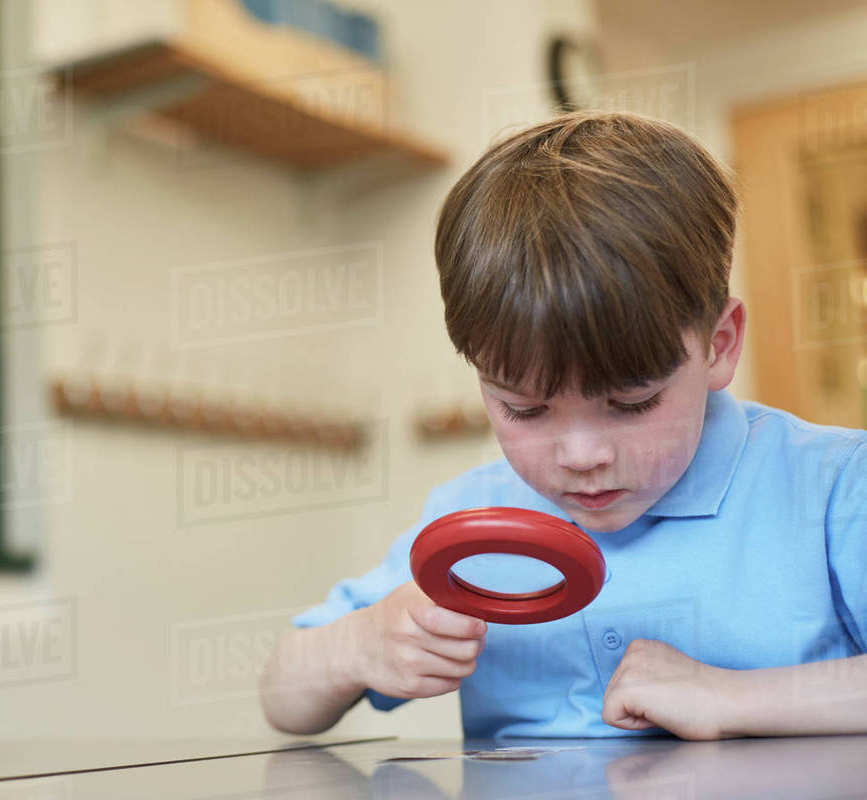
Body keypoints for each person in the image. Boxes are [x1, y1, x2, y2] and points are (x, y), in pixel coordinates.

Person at [259, 111, 867, 740]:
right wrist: (356, 647)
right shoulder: (470, 517)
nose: (580, 456)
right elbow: (281, 698)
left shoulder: (833, 487)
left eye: (631, 403)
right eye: (524, 409)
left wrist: (734, 697)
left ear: (718, 344)